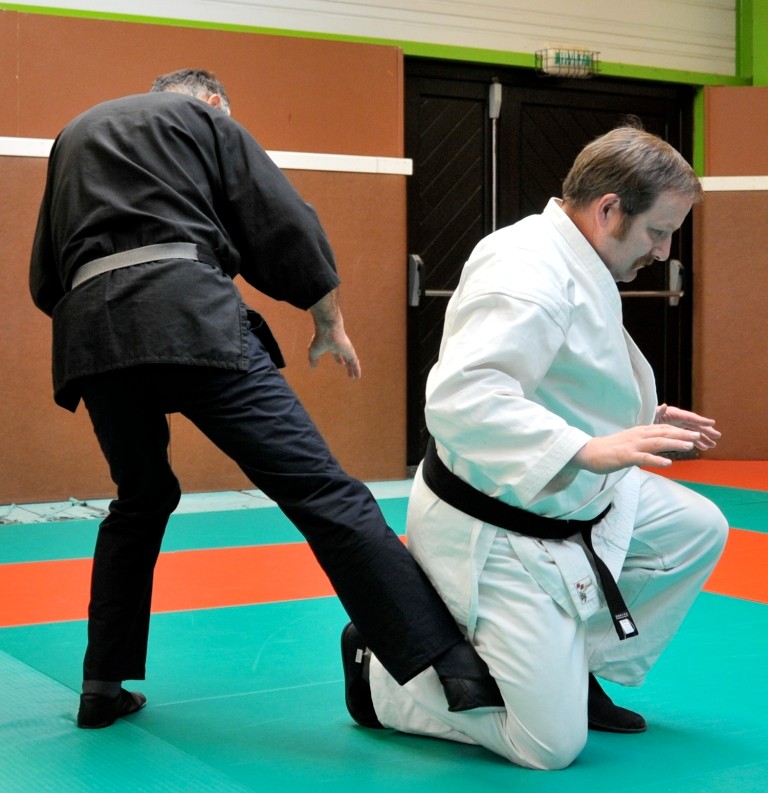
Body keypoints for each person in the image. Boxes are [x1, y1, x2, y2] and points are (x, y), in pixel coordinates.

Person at [29, 68, 502, 729]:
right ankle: (458, 667)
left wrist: (100, 327)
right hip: (188, 311)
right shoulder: (205, 120)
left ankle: (99, 684)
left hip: (90, 335)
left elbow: (45, 275)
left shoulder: (74, 135)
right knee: (321, 490)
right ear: (216, 101)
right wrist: (326, 318)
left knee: (139, 499)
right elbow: (279, 216)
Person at [341, 125, 729, 769]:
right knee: (547, 746)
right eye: (659, 231)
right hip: (501, 519)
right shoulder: (525, 271)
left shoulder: (576, 255)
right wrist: (583, 448)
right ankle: (383, 678)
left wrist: (642, 415)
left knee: (694, 527)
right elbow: (465, 399)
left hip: (574, 492)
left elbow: (556, 373)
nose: (663, 251)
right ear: (608, 210)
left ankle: (575, 669)